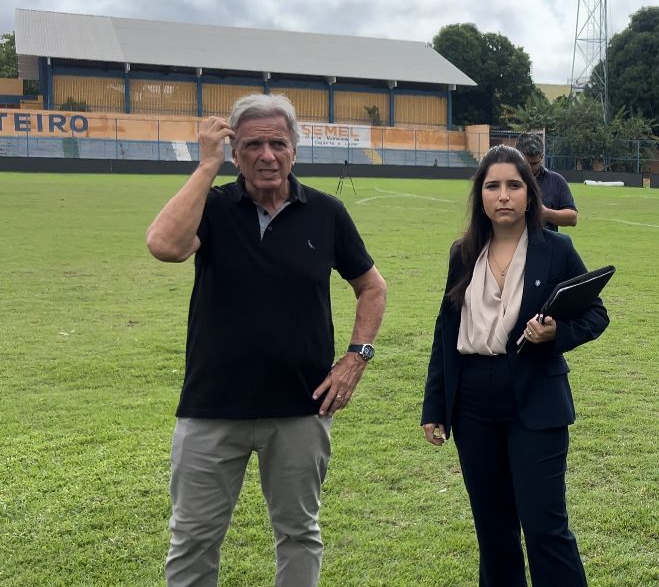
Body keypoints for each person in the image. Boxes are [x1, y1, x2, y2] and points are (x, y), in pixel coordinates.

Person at [145, 94, 388, 586]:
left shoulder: (326, 212)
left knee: (299, 532)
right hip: (212, 407)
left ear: (294, 150)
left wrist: (356, 357)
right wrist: (207, 166)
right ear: (235, 153)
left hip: (300, 408)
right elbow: (165, 246)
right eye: (252, 144)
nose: (267, 155)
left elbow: (372, 287)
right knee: (193, 536)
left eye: (278, 143)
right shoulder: (211, 208)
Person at [421, 145, 609, 587]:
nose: (503, 195)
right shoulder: (462, 253)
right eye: (492, 186)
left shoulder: (556, 251)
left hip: (535, 398)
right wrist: (435, 406)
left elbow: (595, 314)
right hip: (471, 401)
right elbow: (445, 331)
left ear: (530, 194)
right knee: (493, 531)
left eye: (513, 185)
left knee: (545, 528)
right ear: (480, 196)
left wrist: (556, 335)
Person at [515, 133, 578, 231]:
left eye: (535, 163)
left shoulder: (556, 181)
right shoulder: (505, 181)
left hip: (545, 244)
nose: (530, 168)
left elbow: (572, 218)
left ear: (542, 157)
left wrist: (546, 213)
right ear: (517, 157)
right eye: (526, 163)